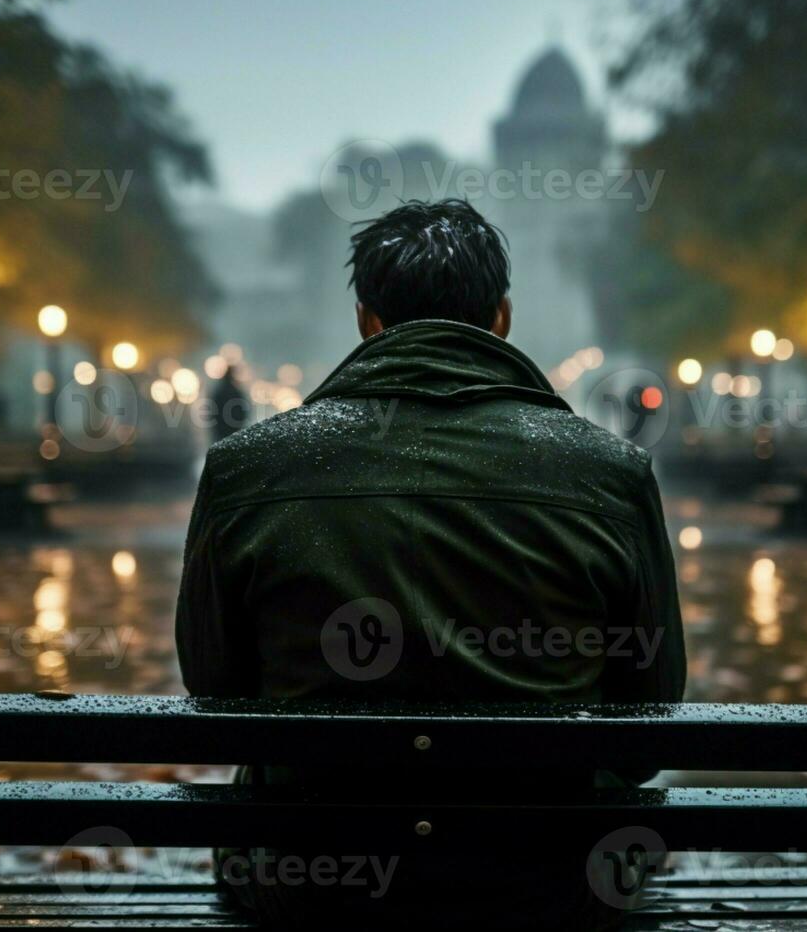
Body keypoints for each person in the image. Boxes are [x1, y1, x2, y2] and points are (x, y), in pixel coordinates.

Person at [176, 199, 685, 929]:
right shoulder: (611, 474)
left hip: (314, 889)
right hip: (549, 889)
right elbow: (647, 733)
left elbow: (216, 700)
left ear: (365, 320)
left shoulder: (244, 470)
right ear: (501, 317)